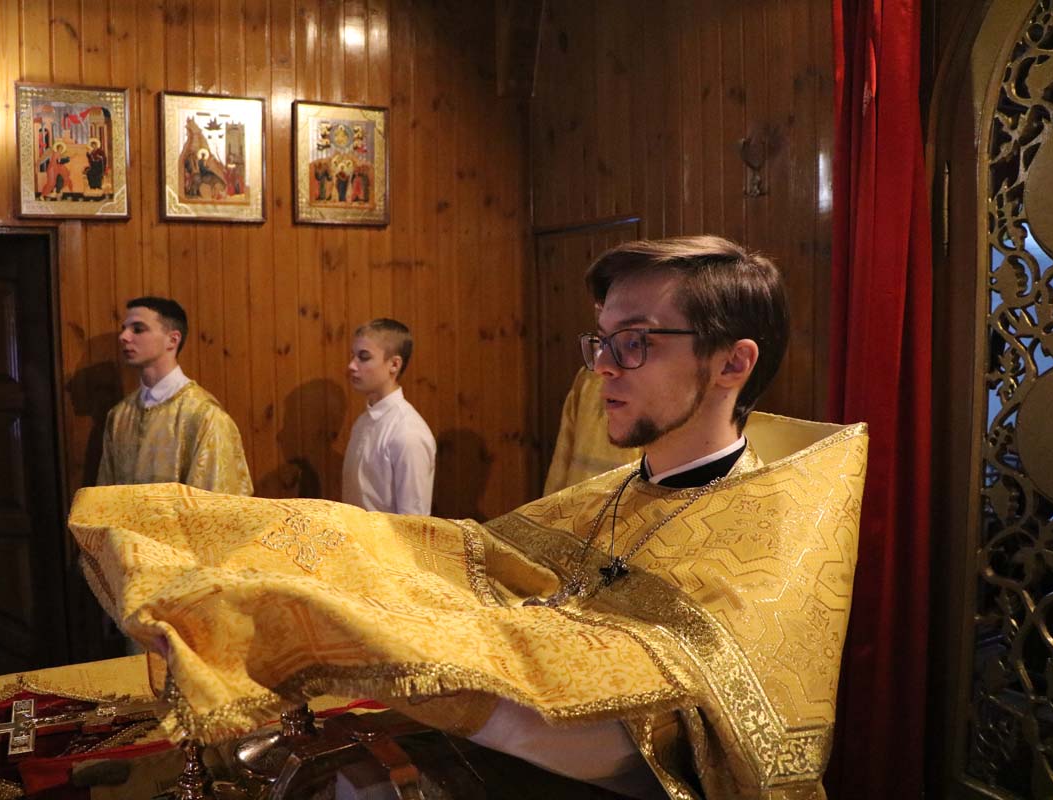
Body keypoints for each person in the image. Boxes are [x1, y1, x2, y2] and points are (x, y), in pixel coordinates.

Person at [71, 237, 867, 799]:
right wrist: (269, 547)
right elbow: (460, 555)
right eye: (600, 342)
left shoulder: (773, 543)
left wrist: (341, 632)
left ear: (732, 363)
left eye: (634, 344)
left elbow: (631, 746)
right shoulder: (618, 489)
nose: (601, 370)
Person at [96, 296, 252, 496]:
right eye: (124, 329)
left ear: (172, 340)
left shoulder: (204, 415)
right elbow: (105, 497)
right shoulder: (119, 416)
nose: (124, 337)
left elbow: (217, 502)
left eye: (138, 329)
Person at [342, 318, 436, 515]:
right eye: (353, 356)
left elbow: (414, 521)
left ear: (394, 364)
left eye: (364, 357)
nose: (351, 366)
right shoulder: (363, 422)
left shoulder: (408, 433)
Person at [542, 365, 640, 495]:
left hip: (624, 499)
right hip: (577, 498)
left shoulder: (588, 378)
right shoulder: (586, 378)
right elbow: (563, 453)